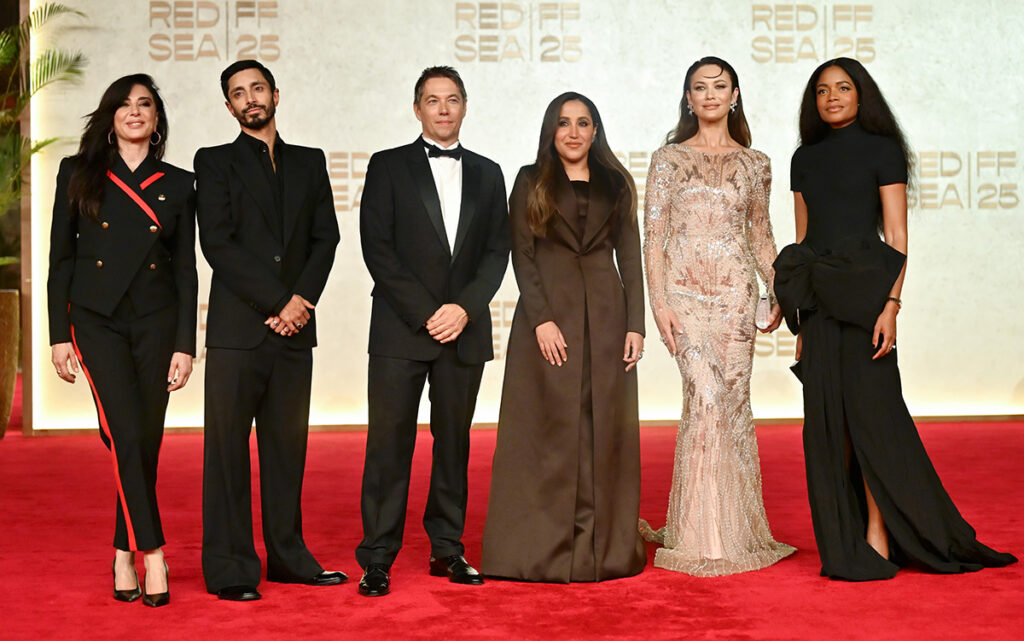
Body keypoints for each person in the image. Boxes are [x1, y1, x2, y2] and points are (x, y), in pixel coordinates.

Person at [774, 57, 1017, 580]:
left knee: (875, 420)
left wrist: (891, 306)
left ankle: (879, 532)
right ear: (812, 101)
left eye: (843, 87)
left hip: (865, 301)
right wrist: (802, 319)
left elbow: (897, 237)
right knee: (829, 426)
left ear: (863, 95)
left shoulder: (882, 150)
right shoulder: (803, 158)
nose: (832, 97)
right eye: (822, 90)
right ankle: (843, 536)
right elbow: (802, 241)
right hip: (820, 302)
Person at [356, 66, 510, 597]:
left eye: (452, 100)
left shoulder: (490, 173)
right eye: (432, 100)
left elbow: (497, 252)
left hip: (463, 331)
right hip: (402, 329)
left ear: (465, 106)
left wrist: (463, 309)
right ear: (416, 108)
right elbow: (377, 249)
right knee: (388, 445)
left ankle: (447, 549)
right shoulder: (387, 166)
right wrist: (429, 313)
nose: (443, 109)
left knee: (454, 444)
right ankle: (377, 557)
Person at [639, 57, 796, 576]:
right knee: (703, 398)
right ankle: (701, 537)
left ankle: (735, 531)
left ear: (735, 95)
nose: (709, 94)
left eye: (719, 86)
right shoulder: (667, 159)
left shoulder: (756, 163)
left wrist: (777, 293)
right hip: (683, 298)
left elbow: (760, 236)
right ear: (688, 98)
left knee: (729, 405)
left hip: (733, 299)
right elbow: (654, 239)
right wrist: (659, 304)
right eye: (699, 87)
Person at [194, 60, 343, 601]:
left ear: (276, 94)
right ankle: (231, 568)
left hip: (296, 329)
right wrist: (279, 300)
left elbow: (326, 238)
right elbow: (218, 243)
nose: (250, 99)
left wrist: (300, 302)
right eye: (238, 93)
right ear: (229, 107)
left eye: (257, 88)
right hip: (239, 331)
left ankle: (288, 556)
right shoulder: (213, 163)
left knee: (287, 449)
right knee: (227, 452)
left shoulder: (310, 161)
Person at [481, 92, 646, 582]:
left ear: (596, 131)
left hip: (608, 319)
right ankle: (540, 550)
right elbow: (522, 255)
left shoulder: (617, 183)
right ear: (550, 131)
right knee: (546, 433)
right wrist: (541, 320)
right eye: (563, 123)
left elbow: (630, 259)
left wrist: (636, 323)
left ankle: (603, 549)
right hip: (548, 321)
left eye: (583, 123)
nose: (573, 132)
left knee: (604, 430)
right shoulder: (531, 180)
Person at [47, 74, 198, 607]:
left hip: (157, 322)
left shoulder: (179, 183)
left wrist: (186, 343)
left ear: (157, 121)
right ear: (110, 116)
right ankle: (151, 553)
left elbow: (185, 271)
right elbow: (60, 260)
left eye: (146, 105)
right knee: (126, 433)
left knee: (142, 440)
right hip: (96, 321)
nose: (135, 112)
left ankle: (119, 551)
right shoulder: (78, 172)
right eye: (125, 104)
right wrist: (58, 334)